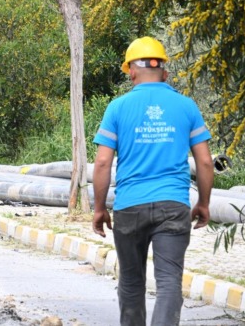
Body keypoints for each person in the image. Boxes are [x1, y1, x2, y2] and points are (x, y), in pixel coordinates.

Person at [92, 36, 214, 326]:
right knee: (169, 281)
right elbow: (206, 161)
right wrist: (204, 203)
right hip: (173, 206)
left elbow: (102, 162)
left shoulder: (117, 108)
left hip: (129, 207)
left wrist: (99, 208)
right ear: (165, 72)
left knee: (132, 283)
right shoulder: (186, 106)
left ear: (131, 72)